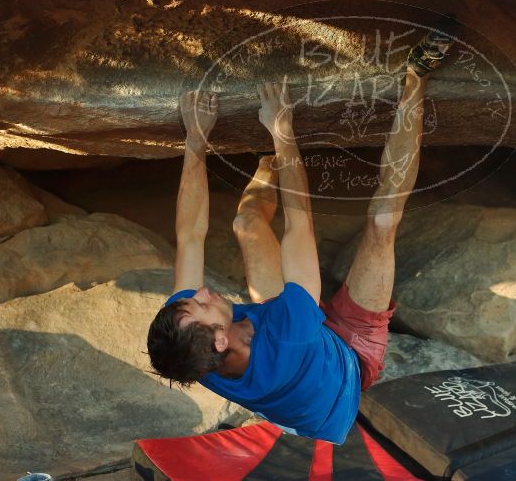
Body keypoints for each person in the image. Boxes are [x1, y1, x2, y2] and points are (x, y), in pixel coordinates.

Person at [147, 28, 453, 444]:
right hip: (350, 357)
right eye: (201, 303)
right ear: (220, 339)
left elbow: (189, 235)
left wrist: (196, 140)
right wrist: (282, 129)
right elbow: (299, 222)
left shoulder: (188, 346)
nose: (200, 290)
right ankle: (417, 78)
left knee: (246, 224)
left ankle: (266, 164)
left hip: (289, 335)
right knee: (382, 224)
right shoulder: (288, 340)